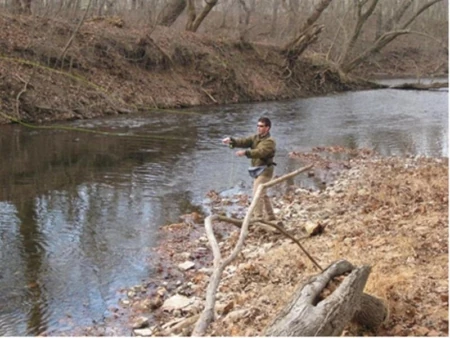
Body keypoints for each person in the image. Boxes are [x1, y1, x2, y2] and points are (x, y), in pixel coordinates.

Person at [222, 117, 276, 221]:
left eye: (261, 126)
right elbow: (244, 141)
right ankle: (271, 216)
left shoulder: (270, 141)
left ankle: (258, 218)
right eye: (258, 126)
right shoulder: (255, 138)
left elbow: (260, 152)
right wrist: (231, 140)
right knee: (262, 194)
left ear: (267, 128)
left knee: (257, 194)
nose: (258, 128)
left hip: (266, 171)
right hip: (257, 169)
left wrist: (246, 153)